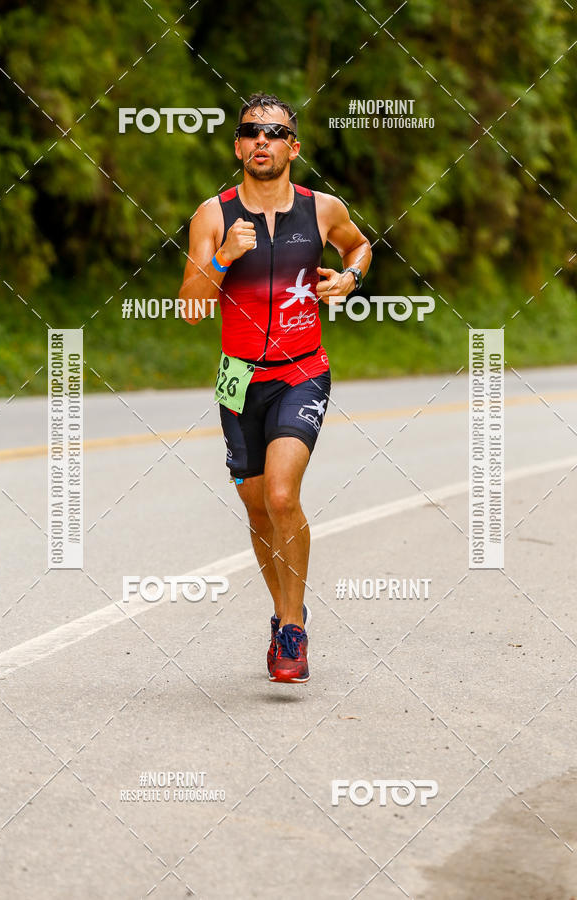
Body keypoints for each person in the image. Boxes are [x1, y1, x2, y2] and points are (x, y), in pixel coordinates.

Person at [178, 92, 371, 683]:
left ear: (294, 146)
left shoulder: (322, 209)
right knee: (259, 509)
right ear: (237, 146)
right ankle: (284, 610)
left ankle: (293, 629)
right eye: (250, 132)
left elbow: (360, 245)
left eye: (274, 132)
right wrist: (223, 259)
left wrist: (349, 278)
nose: (261, 140)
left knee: (282, 495)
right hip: (238, 378)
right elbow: (190, 307)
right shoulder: (213, 216)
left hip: (302, 370)